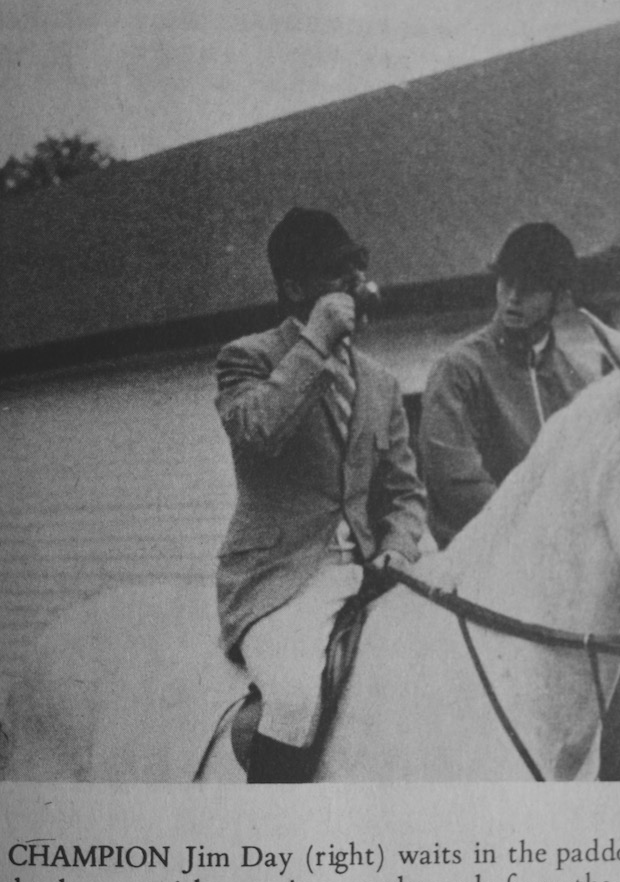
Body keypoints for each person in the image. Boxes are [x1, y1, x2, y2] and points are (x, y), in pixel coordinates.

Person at [215, 207, 427, 783]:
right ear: (295, 287)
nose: (355, 287)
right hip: (280, 580)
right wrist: (315, 341)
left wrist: (399, 547)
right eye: (338, 276)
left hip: (367, 573)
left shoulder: (381, 382)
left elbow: (406, 492)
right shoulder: (247, 358)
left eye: (357, 270)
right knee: (291, 697)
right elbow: (259, 432)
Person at [419, 222, 597, 547]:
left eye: (529, 289)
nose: (513, 298)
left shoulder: (582, 383)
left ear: (560, 298)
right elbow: (455, 481)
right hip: (480, 559)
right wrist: (534, 536)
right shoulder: (459, 370)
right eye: (506, 283)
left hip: (567, 559)